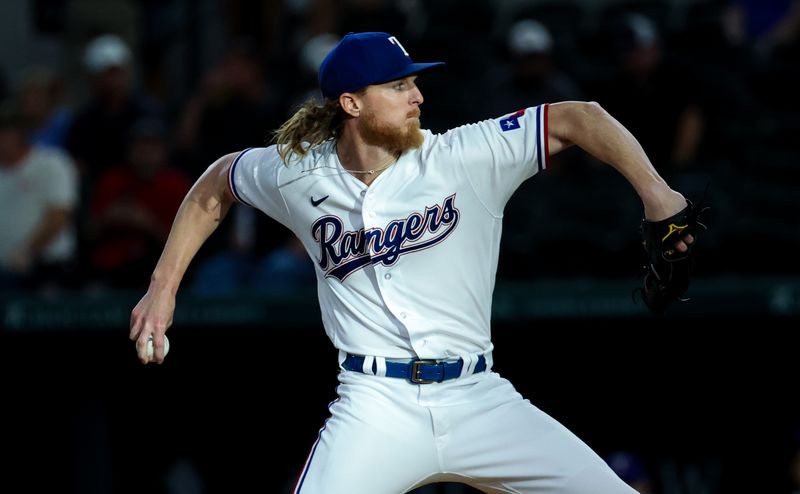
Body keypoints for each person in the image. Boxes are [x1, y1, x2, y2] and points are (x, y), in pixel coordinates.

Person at [130, 31, 694, 493]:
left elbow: (580, 117)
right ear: (351, 103)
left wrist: (660, 197)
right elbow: (218, 181)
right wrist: (163, 286)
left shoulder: (462, 157)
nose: (417, 96)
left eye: (415, 82)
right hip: (376, 407)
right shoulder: (297, 173)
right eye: (398, 85)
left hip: (481, 400)